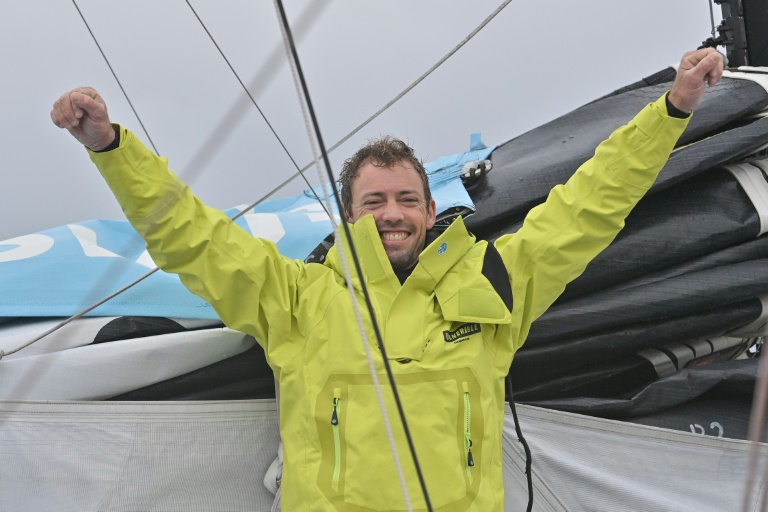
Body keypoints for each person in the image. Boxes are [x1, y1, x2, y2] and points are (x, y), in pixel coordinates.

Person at [51, 48, 723, 511]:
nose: (392, 215)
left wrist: (670, 111)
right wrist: (113, 150)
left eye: (406, 200)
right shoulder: (295, 300)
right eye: (374, 203)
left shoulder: (497, 282)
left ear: (431, 212)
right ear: (349, 216)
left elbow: (591, 205)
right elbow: (189, 236)